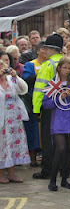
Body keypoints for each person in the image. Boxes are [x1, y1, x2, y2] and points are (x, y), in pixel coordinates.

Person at [32, 33, 70, 180]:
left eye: (46, 48)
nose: (44, 51)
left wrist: (36, 109)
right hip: (66, 107)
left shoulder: (47, 65)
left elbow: (39, 90)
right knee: (63, 139)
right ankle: (63, 168)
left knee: (48, 140)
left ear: (52, 49)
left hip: (49, 107)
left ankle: (47, 169)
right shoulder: (68, 62)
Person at [41, 57, 70, 191]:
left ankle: (65, 179)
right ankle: (52, 180)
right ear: (59, 68)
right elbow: (45, 104)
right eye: (64, 67)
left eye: (69, 68)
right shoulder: (52, 84)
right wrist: (59, 99)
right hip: (58, 120)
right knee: (60, 148)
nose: (66, 70)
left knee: (69, 151)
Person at [0, 52, 30, 182]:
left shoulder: (10, 79)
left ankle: (12, 173)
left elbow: (23, 89)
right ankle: (1, 174)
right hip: (2, 118)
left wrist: (16, 77)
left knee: (13, 144)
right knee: (2, 145)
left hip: (14, 118)